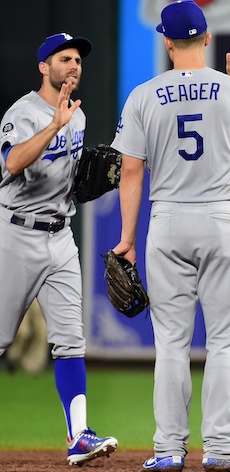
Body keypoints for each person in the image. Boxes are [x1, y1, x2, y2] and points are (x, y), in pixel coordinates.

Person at [109, 1, 230, 471]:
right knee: (224, 342)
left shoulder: (143, 94)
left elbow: (132, 170)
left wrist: (127, 239)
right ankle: (220, 449)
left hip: (168, 220)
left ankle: (167, 451)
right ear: (206, 39)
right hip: (220, 219)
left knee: (171, 344)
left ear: (166, 41)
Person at [0, 33, 118, 466]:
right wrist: (53, 125)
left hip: (60, 236)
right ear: (43, 67)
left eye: (78, 60)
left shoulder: (79, 117)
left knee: (71, 341)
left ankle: (79, 436)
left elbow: (70, 177)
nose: (73, 65)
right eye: (64, 58)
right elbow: (12, 163)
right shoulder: (24, 113)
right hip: (16, 235)